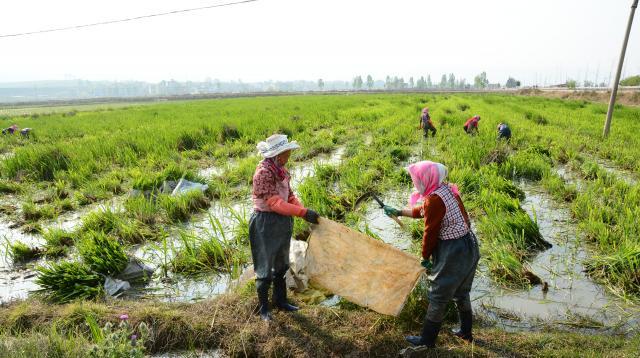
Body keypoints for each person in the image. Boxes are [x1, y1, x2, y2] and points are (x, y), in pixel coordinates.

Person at [382, 161, 480, 348]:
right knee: (461, 292)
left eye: (417, 179)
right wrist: (399, 212)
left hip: (454, 250)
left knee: (438, 295)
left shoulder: (434, 199)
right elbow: (425, 211)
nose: (416, 183)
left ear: (427, 179)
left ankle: (427, 341)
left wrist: (425, 257)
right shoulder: (446, 189)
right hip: (469, 245)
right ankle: (466, 333)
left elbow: (430, 232)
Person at [250, 134, 320, 322]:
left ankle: (281, 300)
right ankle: (264, 309)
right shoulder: (263, 173)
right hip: (265, 222)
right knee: (265, 268)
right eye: (287, 151)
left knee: (281, 265)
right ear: (278, 154)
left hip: (282, 221)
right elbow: (274, 203)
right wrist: (302, 212)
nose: (290, 153)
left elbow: (289, 196)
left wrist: (301, 208)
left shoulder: (281, 169)